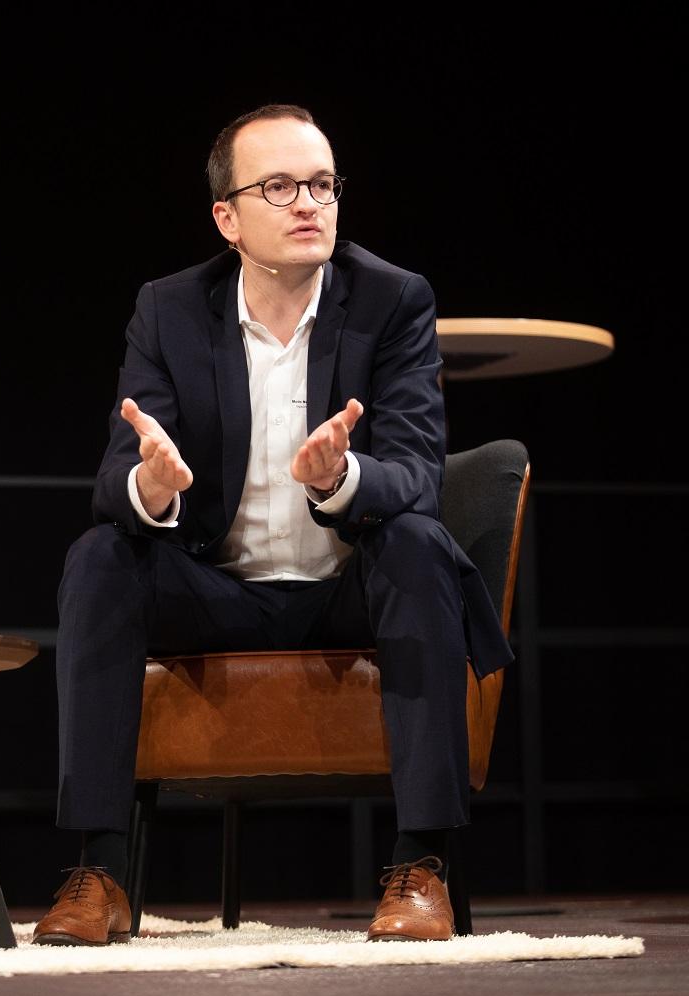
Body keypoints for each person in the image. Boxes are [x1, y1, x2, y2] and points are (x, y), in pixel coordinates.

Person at [32, 105, 512, 946]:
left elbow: (416, 471)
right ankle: (99, 870)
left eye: (323, 185)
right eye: (280, 186)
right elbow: (116, 477)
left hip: (347, 588)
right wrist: (152, 484)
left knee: (418, 542)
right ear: (227, 217)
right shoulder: (169, 309)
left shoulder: (392, 299)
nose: (308, 205)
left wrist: (343, 477)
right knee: (101, 555)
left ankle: (420, 866)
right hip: (217, 587)